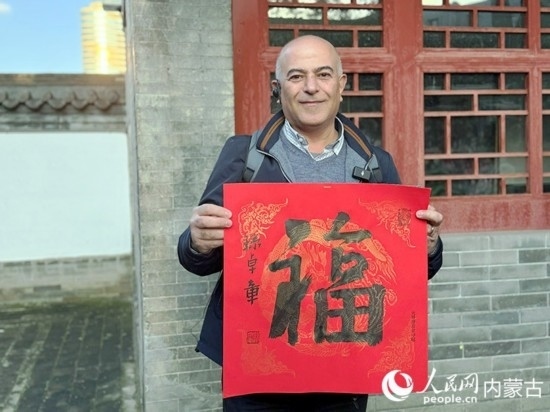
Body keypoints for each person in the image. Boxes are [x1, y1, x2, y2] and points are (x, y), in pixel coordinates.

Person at [178, 35, 444, 412]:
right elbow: (198, 260)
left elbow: (404, 272)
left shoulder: (374, 164)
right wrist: (197, 241)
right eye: (296, 76)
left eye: (323, 74)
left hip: (345, 365)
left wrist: (428, 246)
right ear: (278, 88)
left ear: (341, 84)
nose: (311, 87)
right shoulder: (245, 157)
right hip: (259, 373)